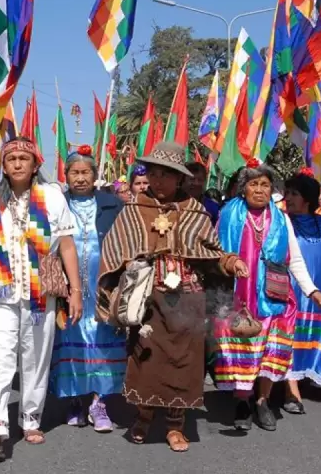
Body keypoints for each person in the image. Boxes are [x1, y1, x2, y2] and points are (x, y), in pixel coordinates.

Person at [98, 142, 247, 451]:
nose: (158, 181)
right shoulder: (134, 209)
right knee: (145, 358)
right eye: (153, 174)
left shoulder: (196, 212)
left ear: (180, 178)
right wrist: (129, 269)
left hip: (188, 297)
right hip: (148, 297)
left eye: (166, 175)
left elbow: (212, 254)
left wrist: (231, 262)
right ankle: (143, 416)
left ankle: (175, 425)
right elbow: (114, 249)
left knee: (184, 361)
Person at [0, 137, 82, 462]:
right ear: (3, 166)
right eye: (11, 159)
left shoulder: (52, 197)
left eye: (23, 158)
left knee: (35, 357)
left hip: (39, 294)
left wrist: (75, 292)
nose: (17, 163)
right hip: (0, 293)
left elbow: (68, 246)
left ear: (35, 165)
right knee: (0, 359)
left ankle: (30, 418)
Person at [213, 160, 321, 432]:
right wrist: (229, 263)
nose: (260, 190)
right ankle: (242, 399)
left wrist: (312, 290)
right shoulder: (229, 214)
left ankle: (262, 400)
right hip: (238, 299)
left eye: (265, 185)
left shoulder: (281, 218)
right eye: (254, 184)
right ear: (243, 188)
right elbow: (214, 251)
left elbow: (295, 259)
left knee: (269, 352)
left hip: (275, 299)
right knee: (242, 351)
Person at [50, 145, 124, 432]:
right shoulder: (57, 204)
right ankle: (75, 402)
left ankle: (99, 402)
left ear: (95, 175)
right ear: (66, 175)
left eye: (85, 172)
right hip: (69, 287)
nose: (80, 178)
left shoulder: (112, 204)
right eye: (74, 172)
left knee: (101, 339)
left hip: (102, 285)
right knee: (72, 336)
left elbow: (122, 242)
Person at [282, 171, 321, 413]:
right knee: (290, 334)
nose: (288, 198)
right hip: (294, 288)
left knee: (317, 333)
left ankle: (311, 375)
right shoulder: (283, 222)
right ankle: (289, 388)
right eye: (287, 193)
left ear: (308, 199)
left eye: (295, 193)